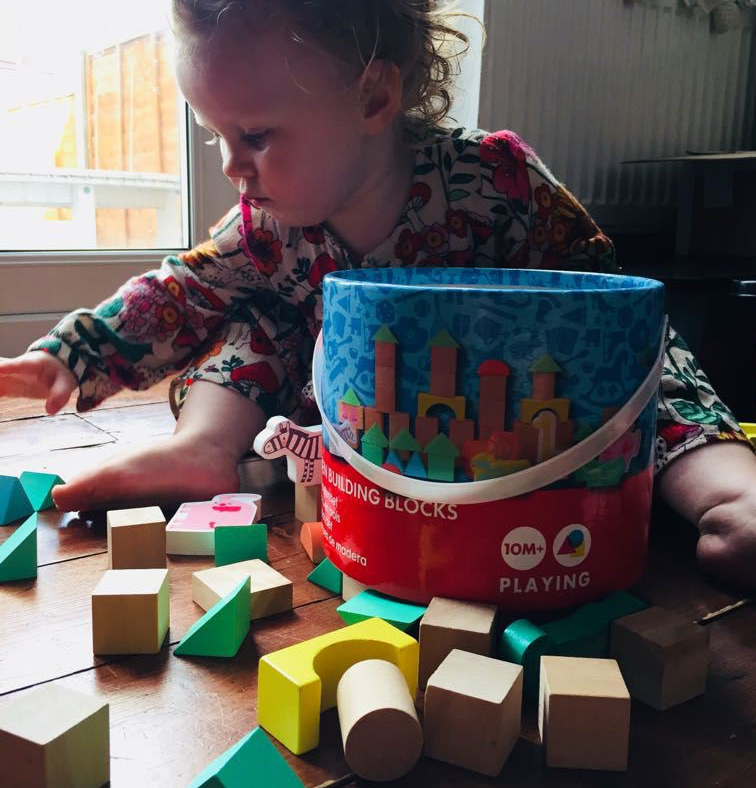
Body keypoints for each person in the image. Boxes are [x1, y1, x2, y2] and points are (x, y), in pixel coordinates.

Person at [1, 0, 755, 587]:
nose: (235, 166)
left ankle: (731, 492)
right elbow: (184, 287)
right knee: (254, 314)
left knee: (634, 358)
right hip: (365, 431)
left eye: (257, 136)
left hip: (519, 406)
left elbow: (614, 308)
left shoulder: (495, 182)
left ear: (371, 99)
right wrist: (79, 349)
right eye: (215, 136)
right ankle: (203, 448)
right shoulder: (266, 226)